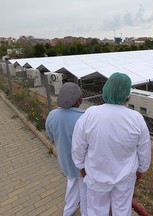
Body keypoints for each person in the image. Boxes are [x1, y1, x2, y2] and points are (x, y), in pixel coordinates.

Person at [72, 72, 151, 216]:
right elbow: (144, 150)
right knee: (122, 210)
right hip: (125, 178)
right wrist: (141, 170)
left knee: (96, 210)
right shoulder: (136, 119)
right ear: (127, 94)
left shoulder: (90, 114)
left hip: (96, 176)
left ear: (106, 89)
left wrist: (81, 166)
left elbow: (78, 146)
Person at [45, 82, 87, 216]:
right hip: (83, 166)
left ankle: (68, 211)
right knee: (85, 190)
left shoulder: (52, 115)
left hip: (65, 162)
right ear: (78, 100)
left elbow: (51, 135)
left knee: (72, 184)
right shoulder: (85, 117)